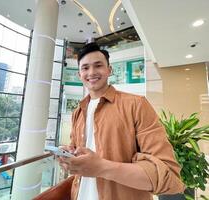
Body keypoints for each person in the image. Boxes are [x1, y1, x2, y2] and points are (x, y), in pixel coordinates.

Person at [58, 42, 185, 200]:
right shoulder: (78, 111)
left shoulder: (136, 104)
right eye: (85, 68)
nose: (91, 72)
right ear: (79, 75)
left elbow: (168, 175)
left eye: (98, 65)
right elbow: (78, 152)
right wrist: (69, 156)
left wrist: (101, 167)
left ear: (109, 70)